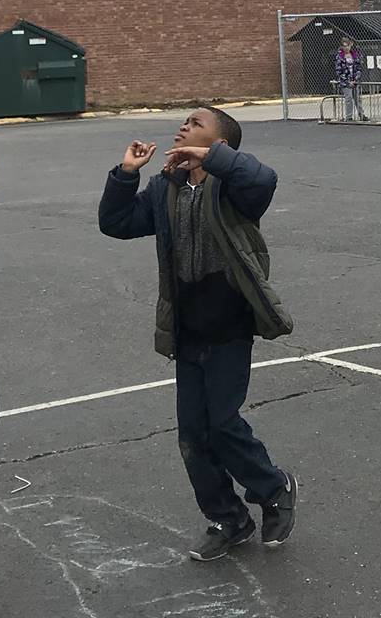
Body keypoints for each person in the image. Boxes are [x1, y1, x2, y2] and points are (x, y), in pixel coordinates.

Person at [98, 106, 299, 561]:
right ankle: (227, 518)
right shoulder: (165, 187)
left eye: (195, 124)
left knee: (223, 421)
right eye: (183, 123)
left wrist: (215, 161)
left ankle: (273, 486)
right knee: (192, 433)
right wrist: (127, 174)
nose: (183, 128)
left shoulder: (235, 188)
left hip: (228, 323)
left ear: (220, 144)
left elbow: (264, 179)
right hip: (187, 327)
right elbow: (116, 223)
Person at [334, 36, 370, 123]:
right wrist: (347, 81)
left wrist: (356, 79)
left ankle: (361, 114)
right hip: (345, 82)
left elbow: (358, 68)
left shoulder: (355, 55)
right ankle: (349, 116)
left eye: (347, 46)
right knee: (349, 97)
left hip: (354, 80)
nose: (346, 48)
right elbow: (339, 71)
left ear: (351, 45)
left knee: (357, 98)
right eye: (344, 46)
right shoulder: (340, 57)